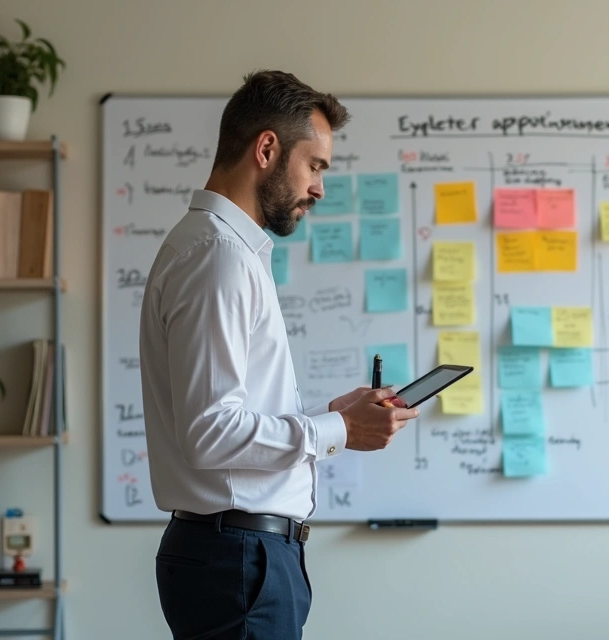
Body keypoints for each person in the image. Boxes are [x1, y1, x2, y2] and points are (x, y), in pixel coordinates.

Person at [139, 69, 419, 640]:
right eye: (314, 166)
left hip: (239, 557)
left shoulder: (220, 251)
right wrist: (337, 429)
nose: (319, 188)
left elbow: (222, 419)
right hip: (239, 560)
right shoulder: (218, 258)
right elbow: (211, 433)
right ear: (267, 148)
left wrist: (331, 416)